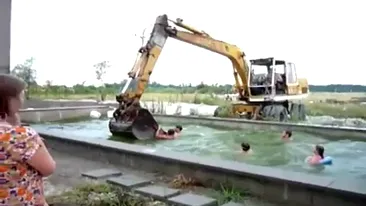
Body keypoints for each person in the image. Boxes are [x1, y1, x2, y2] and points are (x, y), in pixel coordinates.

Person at [0, 74, 56, 205]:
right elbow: (49, 168)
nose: (22, 99)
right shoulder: (19, 136)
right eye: (20, 95)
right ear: (9, 99)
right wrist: (35, 139)